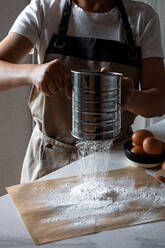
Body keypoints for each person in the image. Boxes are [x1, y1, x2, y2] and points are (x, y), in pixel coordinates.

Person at [0, 0, 165, 183]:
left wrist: (130, 97)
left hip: (113, 160)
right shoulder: (43, 10)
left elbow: (159, 101)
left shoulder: (143, 17)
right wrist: (32, 72)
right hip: (49, 160)